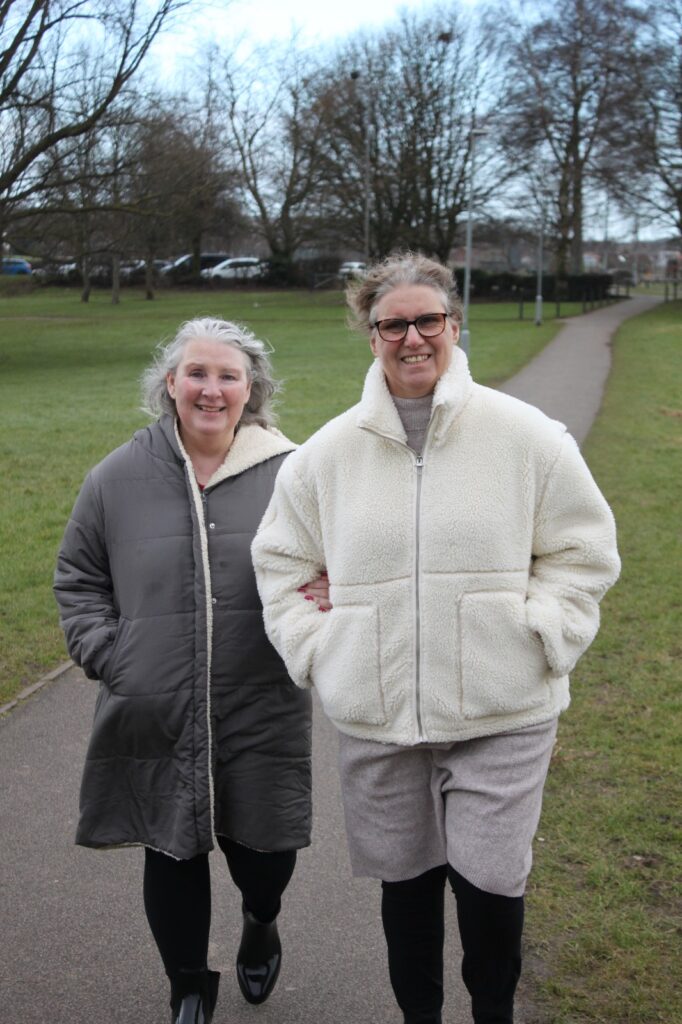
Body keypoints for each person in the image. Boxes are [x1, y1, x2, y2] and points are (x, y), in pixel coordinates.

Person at [251, 253, 620, 1024]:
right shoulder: (326, 456)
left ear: (454, 325)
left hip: (502, 710)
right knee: (407, 887)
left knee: (490, 886)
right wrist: (323, 650)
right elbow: (281, 563)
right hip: (377, 718)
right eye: (393, 324)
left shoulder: (527, 437)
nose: (412, 338)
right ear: (371, 333)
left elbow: (583, 554)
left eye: (428, 321)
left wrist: (541, 632)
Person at [54, 317, 312, 1024]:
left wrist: (322, 611)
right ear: (170, 384)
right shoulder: (117, 477)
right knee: (171, 845)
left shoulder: (295, 472)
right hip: (155, 704)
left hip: (262, 700)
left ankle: (262, 918)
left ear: (250, 388)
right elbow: (78, 577)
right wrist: (113, 656)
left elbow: (335, 567)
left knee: (265, 849)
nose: (211, 388)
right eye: (196, 373)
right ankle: (189, 983)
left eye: (228, 375)